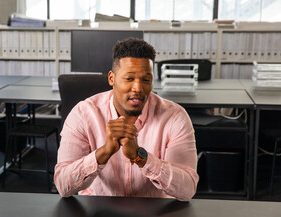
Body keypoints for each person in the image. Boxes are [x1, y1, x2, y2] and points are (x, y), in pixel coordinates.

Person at [54, 37, 198, 201]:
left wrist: (140, 157)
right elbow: (63, 185)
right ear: (111, 78)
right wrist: (104, 152)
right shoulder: (83, 114)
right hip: (99, 212)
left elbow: (187, 190)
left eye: (146, 80)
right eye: (129, 79)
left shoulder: (175, 116)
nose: (138, 88)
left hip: (154, 215)